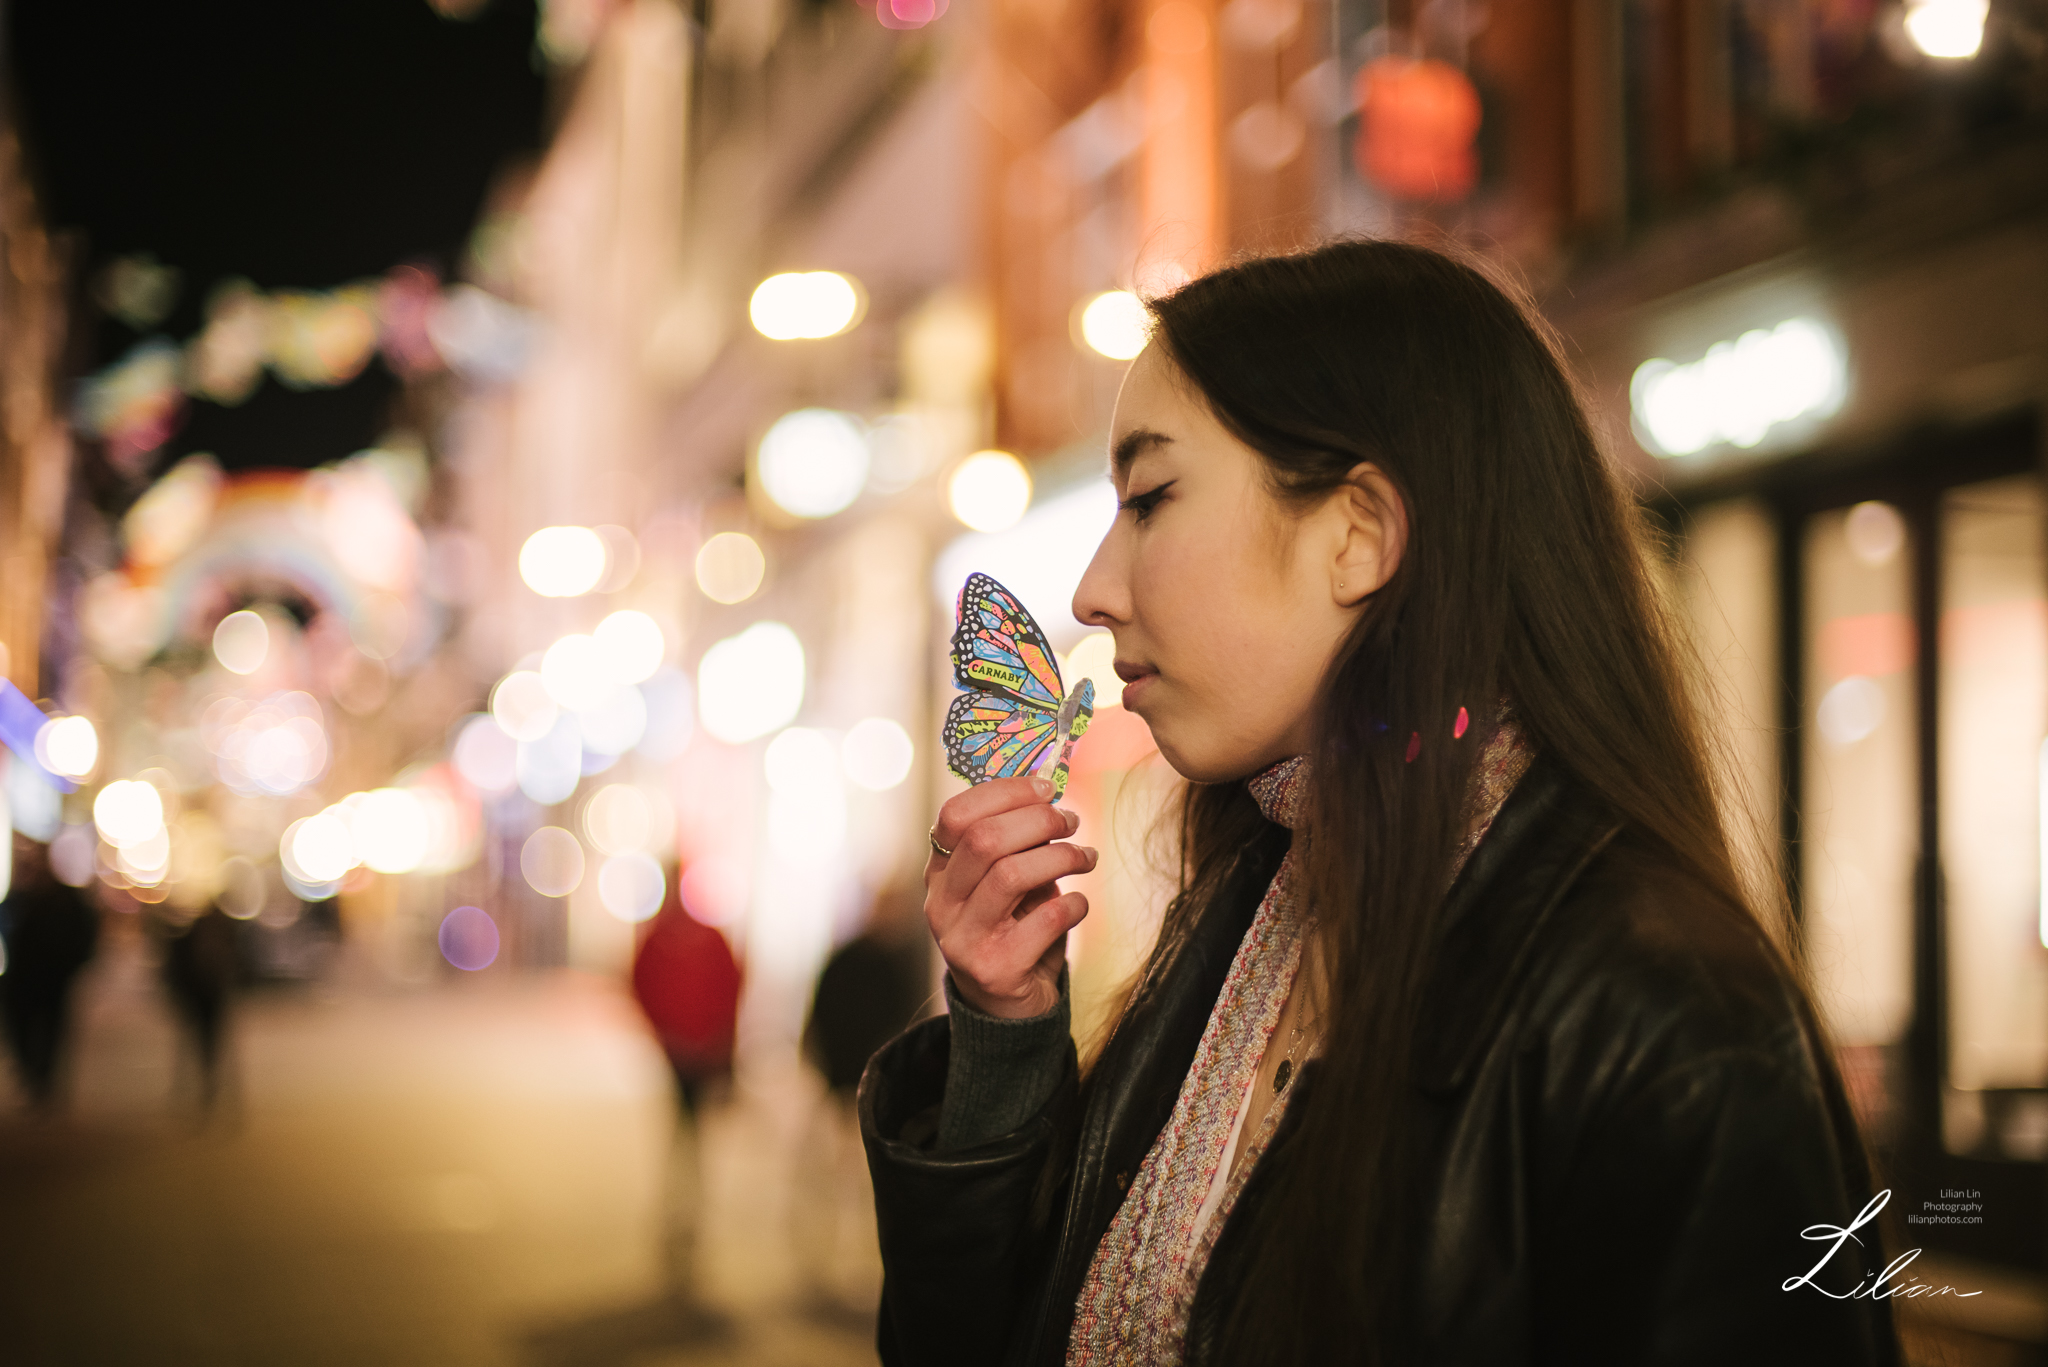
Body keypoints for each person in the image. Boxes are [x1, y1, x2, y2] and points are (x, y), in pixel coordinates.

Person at [858, 240, 1904, 1366]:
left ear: (1360, 534)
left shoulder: (1665, 1019)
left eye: (1151, 497)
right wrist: (1006, 1042)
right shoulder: (1251, 905)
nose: (1091, 589)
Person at [630, 873, 742, 1298]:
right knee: (686, 1129)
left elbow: (730, 985)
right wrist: (664, 1033)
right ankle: (683, 1205)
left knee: (689, 1129)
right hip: (680, 1050)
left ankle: (686, 1205)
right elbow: (640, 985)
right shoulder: (662, 939)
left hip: (700, 1049)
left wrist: (715, 1036)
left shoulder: (696, 937)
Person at [0, 833, 100, 1110]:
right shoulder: (21, 896)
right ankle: (33, 1075)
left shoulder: (65, 898)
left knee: (51, 1030)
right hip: (22, 977)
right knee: (20, 1027)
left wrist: (72, 965)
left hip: (54, 977)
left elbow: (84, 935)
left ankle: (43, 1081)